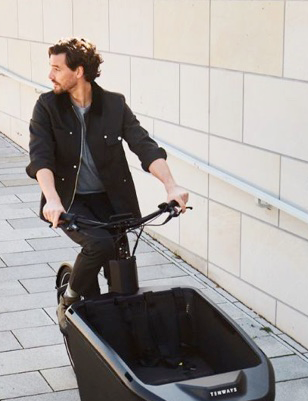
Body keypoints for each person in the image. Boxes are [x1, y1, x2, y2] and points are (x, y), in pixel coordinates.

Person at [27, 37, 189, 315]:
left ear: (78, 71)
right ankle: (68, 301)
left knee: (123, 278)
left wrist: (171, 186)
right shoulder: (47, 106)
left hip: (112, 202)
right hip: (71, 201)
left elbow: (144, 146)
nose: (50, 75)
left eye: (57, 69)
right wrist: (52, 200)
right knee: (98, 244)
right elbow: (40, 157)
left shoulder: (114, 105)